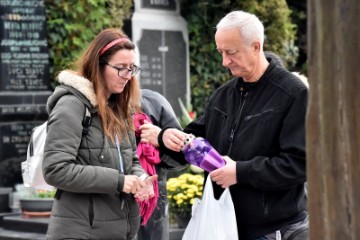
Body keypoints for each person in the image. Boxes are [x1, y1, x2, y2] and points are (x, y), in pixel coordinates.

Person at [158, 10, 309, 240]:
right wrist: (166, 137)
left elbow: (299, 165)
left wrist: (240, 172)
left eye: (231, 52)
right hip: (224, 227)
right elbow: (189, 143)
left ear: (256, 46)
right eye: (221, 52)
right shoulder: (222, 96)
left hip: (275, 230)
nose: (224, 61)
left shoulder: (293, 93)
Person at [42, 28, 157, 240]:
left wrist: (140, 178)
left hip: (118, 229)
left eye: (132, 68)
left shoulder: (118, 107)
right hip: (80, 231)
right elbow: (55, 169)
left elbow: (130, 157)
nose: (128, 76)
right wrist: (120, 182)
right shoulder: (72, 105)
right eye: (121, 68)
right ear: (98, 65)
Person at [133, 89, 187, 240]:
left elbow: (182, 157)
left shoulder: (153, 101)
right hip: (106, 208)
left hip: (152, 209)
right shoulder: (91, 104)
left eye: (130, 67)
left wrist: (161, 139)